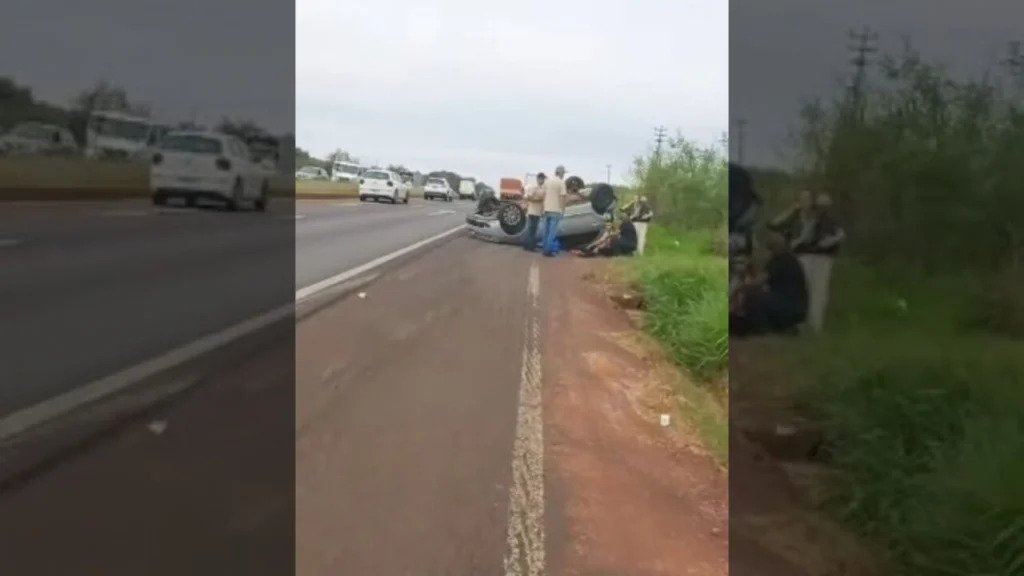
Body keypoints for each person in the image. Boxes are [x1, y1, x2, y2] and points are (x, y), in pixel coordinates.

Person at [730, 231, 808, 337]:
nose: (768, 252)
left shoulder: (782, 260)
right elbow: (760, 278)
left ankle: (763, 330)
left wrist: (738, 289)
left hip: (789, 305)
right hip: (792, 305)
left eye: (769, 248)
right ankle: (777, 328)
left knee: (754, 298)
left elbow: (758, 282)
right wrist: (750, 269)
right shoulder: (788, 259)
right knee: (757, 297)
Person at [541, 165, 568, 256]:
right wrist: (563, 210)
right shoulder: (561, 182)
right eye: (563, 173)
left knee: (546, 231)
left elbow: (543, 195)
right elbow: (563, 197)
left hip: (546, 209)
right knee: (552, 233)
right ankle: (548, 251)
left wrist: (542, 208)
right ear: (560, 173)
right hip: (556, 210)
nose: (564, 174)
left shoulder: (547, 181)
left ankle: (544, 249)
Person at [522, 172, 547, 251]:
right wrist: (537, 199)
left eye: (543, 179)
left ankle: (527, 246)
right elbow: (527, 197)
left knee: (532, 229)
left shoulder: (543, 188)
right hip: (532, 211)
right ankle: (530, 246)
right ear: (538, 179)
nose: (542, 180)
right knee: (531, 230)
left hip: (537, 212)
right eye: (541, 179)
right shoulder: (534, 187)